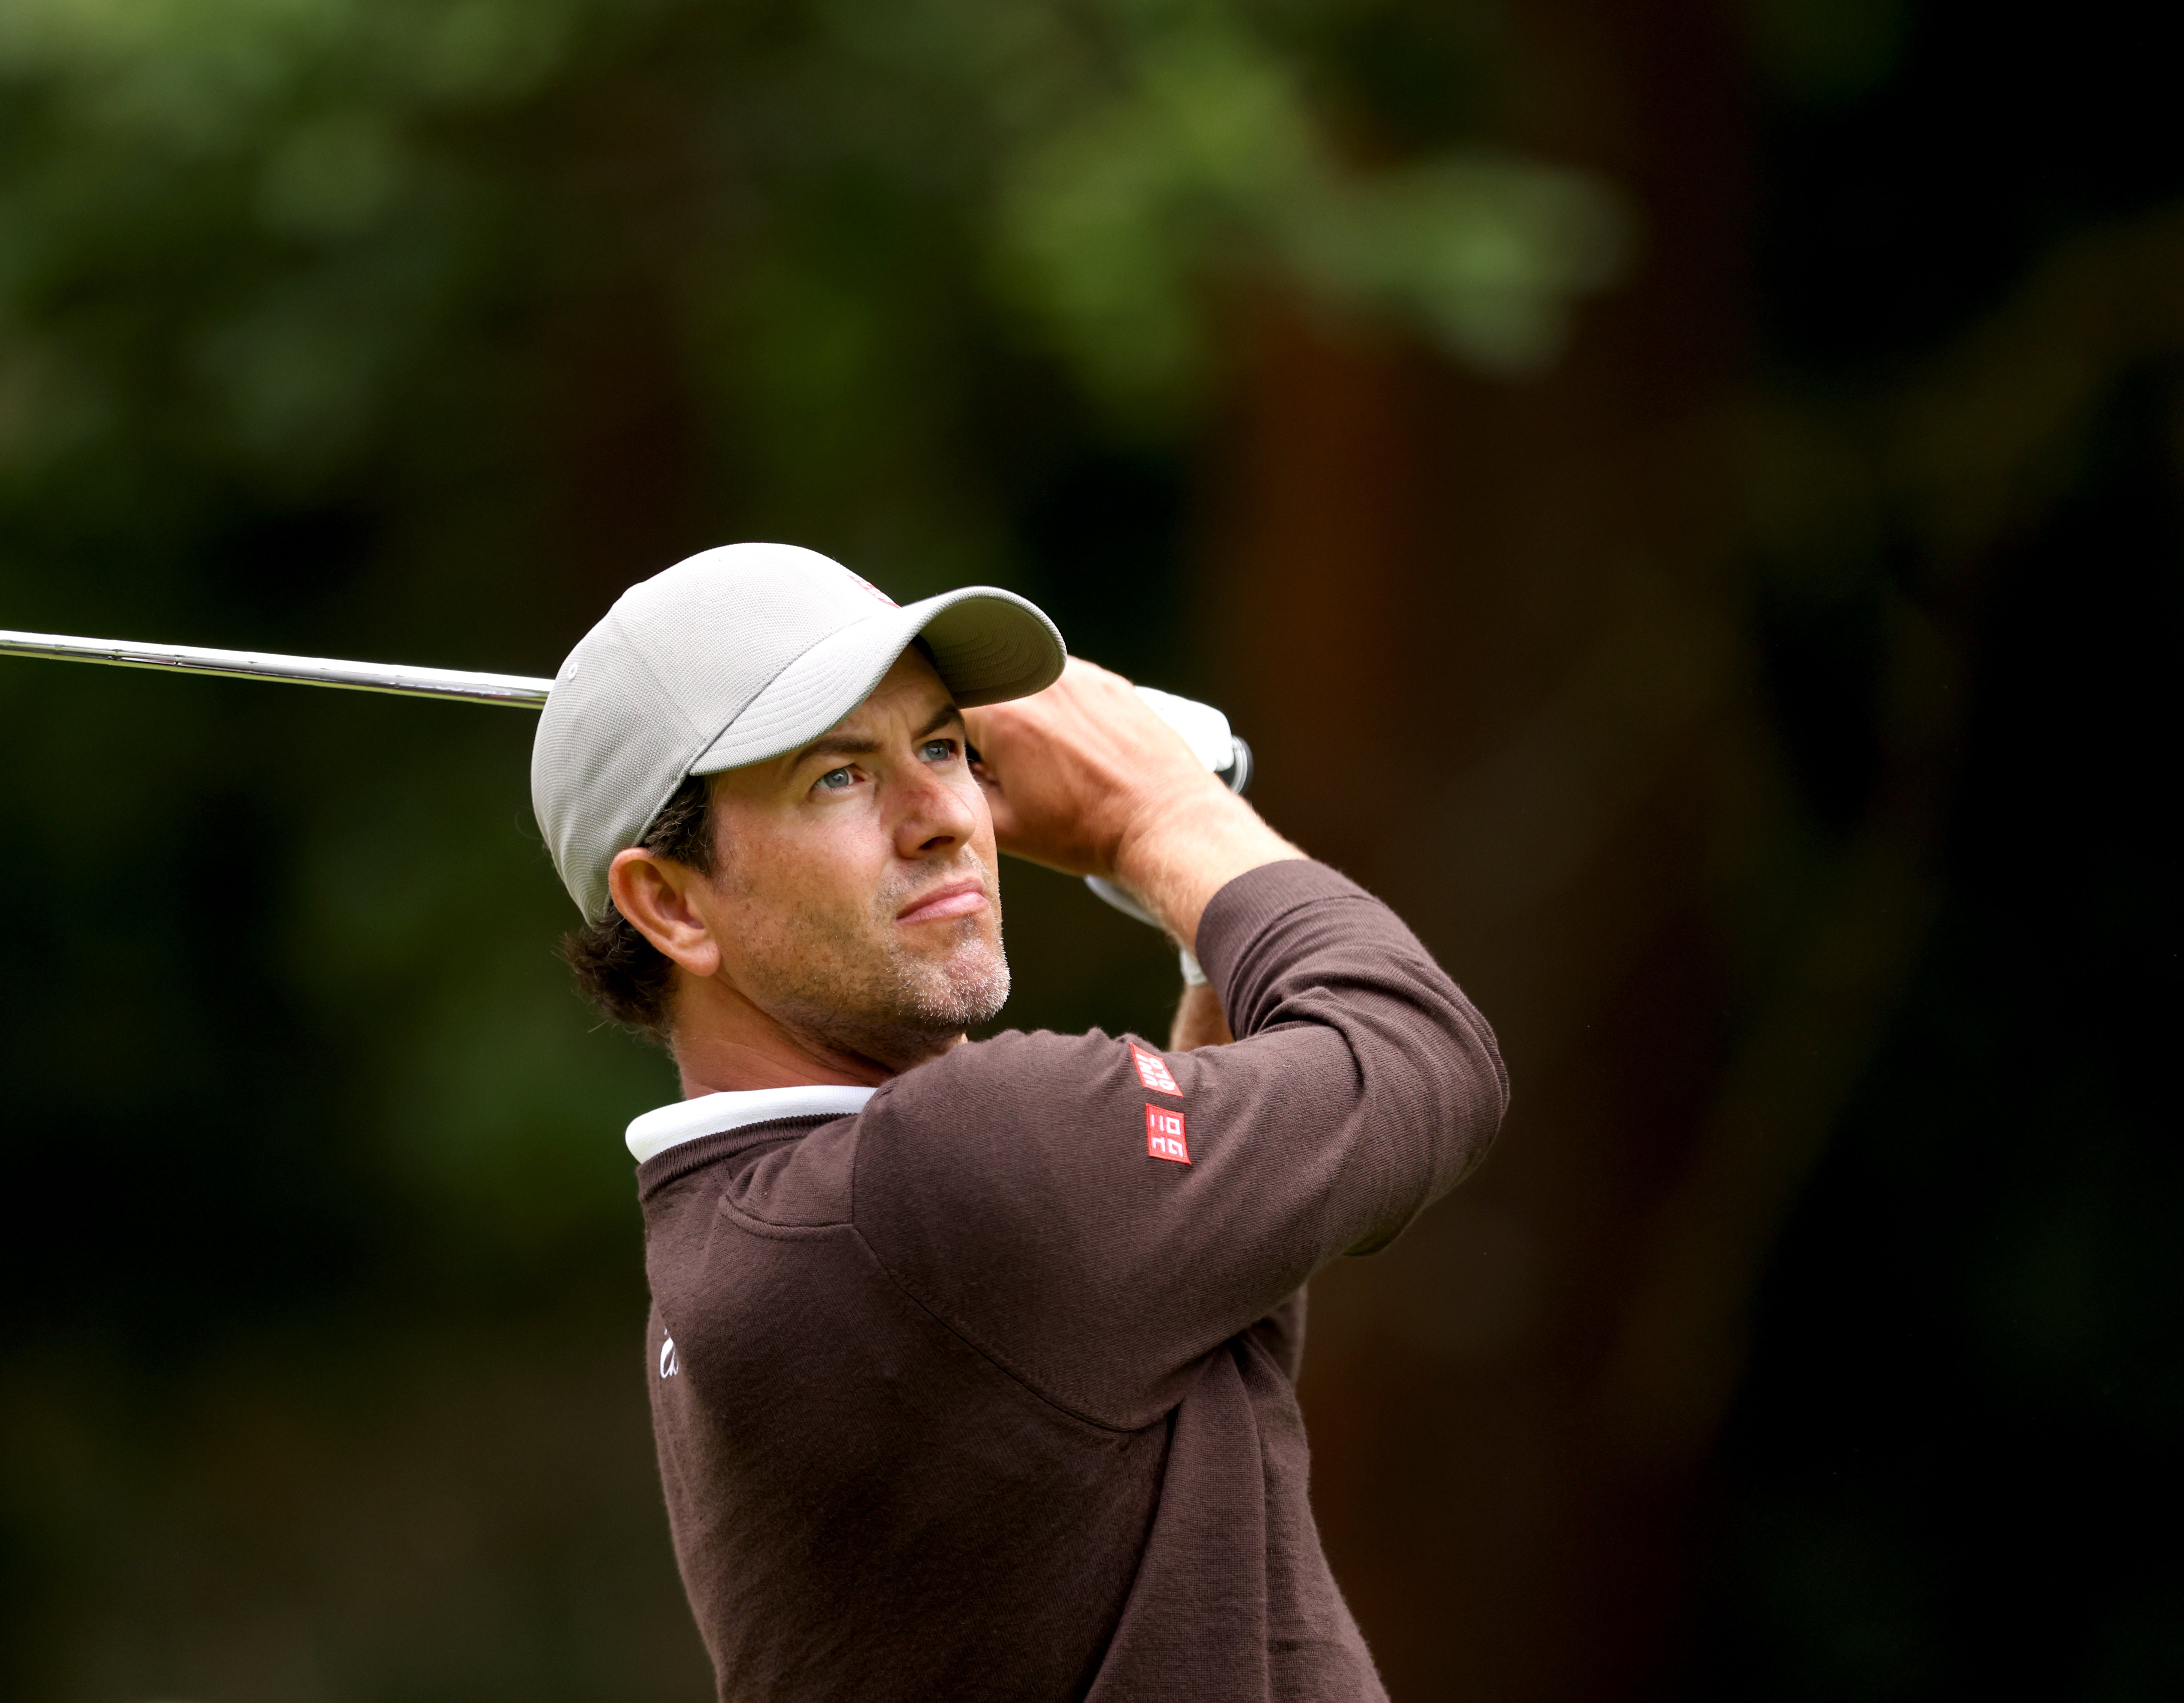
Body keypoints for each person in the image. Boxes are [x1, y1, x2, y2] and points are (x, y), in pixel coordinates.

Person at [530, 542, 1508, 1702]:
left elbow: (1212, 1274)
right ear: (671, 904)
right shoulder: (941, 1176)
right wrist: (1161, 810)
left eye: (943, 746)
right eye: (837, 777)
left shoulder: (742, 1241)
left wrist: (1196, 912)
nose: (942, 816)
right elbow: (1418, 1058)